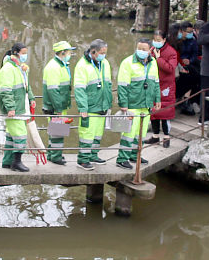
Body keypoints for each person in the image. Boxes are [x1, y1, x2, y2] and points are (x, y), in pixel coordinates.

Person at [115, 40, 160, 169]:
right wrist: (123, 104)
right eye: (139, 48)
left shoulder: (153, 63)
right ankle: (122, 158)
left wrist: (157, 99)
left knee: (140, 134)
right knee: (128, 133)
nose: (141, 50)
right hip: (132, 104)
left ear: (149, 50)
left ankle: (135, 155)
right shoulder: (127, 62)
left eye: (144, 48)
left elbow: (156, 83)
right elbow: (122, 85)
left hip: (146, 105)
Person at [73, 39, 112, 169]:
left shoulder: (104, 63)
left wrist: (108, 103)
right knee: (87, 135)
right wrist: (83, 107)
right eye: (101, 52)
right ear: (93, 51)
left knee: (97, 134)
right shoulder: (82, 65)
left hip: (102, 105)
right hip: (90, 106)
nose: (104, 55)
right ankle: (83, 160)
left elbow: (108, 84)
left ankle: (93, 156)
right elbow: (79, 89)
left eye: (105, 52)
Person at [0, 43, 33, 172]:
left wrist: (31, 98)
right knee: (20, 135)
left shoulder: (19, 68)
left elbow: (25, 85)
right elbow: (6, 90)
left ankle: (7, 162)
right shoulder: (8, 69)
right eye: (23, 52)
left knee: (11, 136)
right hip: (14, 109)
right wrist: (10, 108)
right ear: (16, 52)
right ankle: (16, 162)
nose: (25, 55)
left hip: (20, 106)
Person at [40, 41, 74, 165]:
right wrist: (58, 108)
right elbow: (53, 90)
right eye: (70, 52)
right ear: (63, 52)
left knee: (55, 131)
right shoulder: (54, 67)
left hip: (59, 105)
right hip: (56, 106)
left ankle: (52, 154)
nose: (71, 54)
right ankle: (56, 157)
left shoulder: (61, 65)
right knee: (58, 132)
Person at [148, 31, 177, 147]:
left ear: (164, 40)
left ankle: (166, 137)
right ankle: (155, 136)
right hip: (153, 84)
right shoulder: (152, 50)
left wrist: (159, 59)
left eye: (159, 40)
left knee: (165, 113)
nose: (156, 42)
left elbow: (170, 68)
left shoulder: (171, 52)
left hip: (166, 86)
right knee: (154, 112)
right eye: (155, 39)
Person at [175, 22, 201, 115]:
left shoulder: (193, 41)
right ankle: (183, 98)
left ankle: (187, 99)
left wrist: (189, 60)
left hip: (189, 63)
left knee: (196, 75)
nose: (190, 33)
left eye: (191, 31)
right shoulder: (178, 41)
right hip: (179, 64)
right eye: (188, 31)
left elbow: (195, 54)